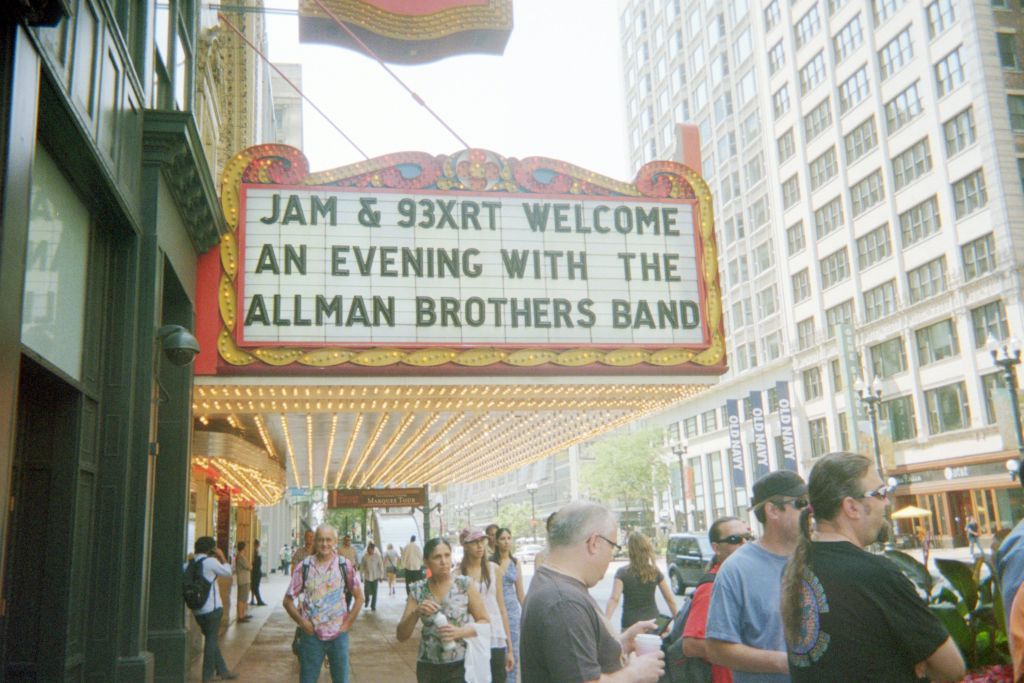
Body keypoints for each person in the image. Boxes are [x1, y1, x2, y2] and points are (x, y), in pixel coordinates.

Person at [780, 452, 965, 682]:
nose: (887, 501)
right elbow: (953, 668)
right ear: (851, 507)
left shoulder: (795, 568)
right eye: (880, 493)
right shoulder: (875, 574)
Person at [521, 501, 664, 683]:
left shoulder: (551, 582)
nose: (611, 556)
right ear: (594, 543)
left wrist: (621, 643)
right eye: (613, 546)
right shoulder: (564, 602)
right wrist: (635, 673)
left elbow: (572, 657)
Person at [705, 470, 807, 683]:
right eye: (801, 503)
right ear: (773, 511)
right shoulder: (736, 570)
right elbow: (717, 649)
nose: (810, 510)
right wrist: (788, 662)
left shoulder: (819, 558)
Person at [397, 537, 490, 682]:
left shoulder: (464, 585)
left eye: (447, 555)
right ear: (426, 562)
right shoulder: (418, 590)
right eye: (437, 557)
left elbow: (485, 622)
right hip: (428, 666)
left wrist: (460, 632)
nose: (444, 562)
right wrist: (416, 613)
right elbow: (401, 636)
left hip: (459, 664)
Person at [285, 524, 364, 683]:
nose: (324, 544)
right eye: (320, 539)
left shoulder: (344, 565)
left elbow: (359, 597)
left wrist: (347, 624)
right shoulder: (304, 567)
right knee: (308, 679)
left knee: (341, 679)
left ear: (335, 541)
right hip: (311, 636)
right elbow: (287, 601)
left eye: (328, 540)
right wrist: (302, 623)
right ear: (314, 541)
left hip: (338, 636)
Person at [680, 516, 750, 683]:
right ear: (716, 548)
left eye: (748, 537)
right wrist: (748, 652)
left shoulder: (741, 578)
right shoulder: (712, 587)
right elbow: (690, 645)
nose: (745, 544)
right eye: (735, 540)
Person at [458, 528, 514, 681]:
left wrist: (510, 648)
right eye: (474, 542)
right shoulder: (458, 574)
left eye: (481, 541)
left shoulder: (493, 569)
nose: (479, 546)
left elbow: (501, 608)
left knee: (498, 678)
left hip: (495, 634)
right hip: (472, 636)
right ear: (465, 545)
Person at [184, 536, 239, 681]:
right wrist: (222, 557)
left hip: (197, 610)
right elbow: (228, 572)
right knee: (210, 642)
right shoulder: (210, 562)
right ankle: (207, 676)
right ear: (211, 549)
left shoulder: (190, 562)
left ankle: (223, 671)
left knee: (211, 640)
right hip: (212, 610)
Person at [605, 531, 677, 629]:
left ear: (630, 550)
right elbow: (669, 599)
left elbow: (614, 599)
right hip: (653, 622)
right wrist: (678, 621)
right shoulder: (654, 571)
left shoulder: (622, 573)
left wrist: (605, 622)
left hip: (630, 624)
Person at [493, 527, 525, 683]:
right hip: (496, 610)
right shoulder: (491, 563)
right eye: (502, 539)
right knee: (501, 650)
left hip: (512, 612)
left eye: (508, 538)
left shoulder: (515, 562)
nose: (506, 542)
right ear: (496, 542)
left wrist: (527, 612)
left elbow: (520, 592)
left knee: (515, 653)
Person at [360, 541, 386, 611]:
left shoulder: (377, 556)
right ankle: (367, 600)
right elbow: (362, 567)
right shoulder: (364, 556)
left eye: (370, 549)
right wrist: (361, 576)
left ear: (373, 549)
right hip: (367, 577)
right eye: (368, 549)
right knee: (366, 591)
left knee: (375, 592)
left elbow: (381, 566)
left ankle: (373, 605)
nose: (369, 550)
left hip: (375, 577)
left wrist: (381, 576)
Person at [339, 535, 359, 609]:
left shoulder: (353, 549)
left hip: (351, 571)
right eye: (346, 540)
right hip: (343, 571)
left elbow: (356, 559)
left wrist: (356, 568)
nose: (347, 541)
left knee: (350, 589)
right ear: (344, 541)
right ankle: (344, 604)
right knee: (344, 588)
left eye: (349, 540)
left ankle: (348, 605)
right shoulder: (340, 550)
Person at [234, 541, 252, 623]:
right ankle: (240, 616)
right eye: (246, 546)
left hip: (245, 580)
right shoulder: (240, 557)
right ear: (243, 548)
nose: (247, 548)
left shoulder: (242, 556)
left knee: (244, 598)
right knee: (241, 598)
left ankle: (243, 614)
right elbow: (249, 567)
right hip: (243, 580)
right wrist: (250, 565)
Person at [250, 539, 267, 606]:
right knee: (254, 586)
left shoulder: (256, 552)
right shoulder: (256, 552)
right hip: (256, 571)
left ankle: (256, 600)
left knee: (254, 586)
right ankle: (257, 600)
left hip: (255, 571)